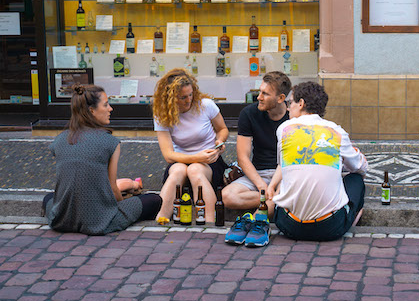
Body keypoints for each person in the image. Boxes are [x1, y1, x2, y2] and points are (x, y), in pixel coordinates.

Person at [43, 84, 162, 235]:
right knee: (154, 200)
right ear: (91, 110)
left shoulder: (59, 140)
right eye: (106, 105)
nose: (110, 109)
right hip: (99, 221)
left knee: (48, 197)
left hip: (62, 219)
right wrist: (123, 207)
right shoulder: (110, 142)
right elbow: (112, 188)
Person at [267, 81, 367, 242]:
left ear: (301, 103)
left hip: (288, 225)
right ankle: (350, 216)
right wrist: (357, 156)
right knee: (355, 178)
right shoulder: (336, 131)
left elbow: (283, 164)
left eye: (290, 103)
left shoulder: (284, 129)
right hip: (330, 228)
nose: (287, 107)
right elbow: (359, 167)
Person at [223, 71, 291, 247]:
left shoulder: (293, 117)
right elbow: (243, 157)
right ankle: (273, 202)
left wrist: (274, 185)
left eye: (265, 94)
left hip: (285, 174)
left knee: (285, 192)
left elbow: (290, 159)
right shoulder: (249, 114)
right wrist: (263, 187)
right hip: (258, 173)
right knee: (228, 196)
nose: (258, 97)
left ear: (280, 98)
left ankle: (253, 221)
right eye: (259, 92)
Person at [152, 68, 229, 224]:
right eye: (182, 98)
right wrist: (195, 157)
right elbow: (168, 155)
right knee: (179, 170)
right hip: (181, 160)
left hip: (209, 161)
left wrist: (219, 141)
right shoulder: (162, 114)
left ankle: (209, 222)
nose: (188, 100)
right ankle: (161, 219)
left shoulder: (206, 105)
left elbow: (222, 129)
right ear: (171, 98)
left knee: (194, 170)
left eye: (190, 95)